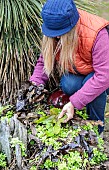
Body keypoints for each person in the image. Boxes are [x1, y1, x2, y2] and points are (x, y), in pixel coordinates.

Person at [30, 0, 109, 134]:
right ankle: (83, 105)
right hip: (82, 71)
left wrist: (74, 102)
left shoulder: (96, 34)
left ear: (73, 26)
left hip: (103, 74)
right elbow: (43, 62)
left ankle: (96, 129)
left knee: (95, 88)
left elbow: (103, 77)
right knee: (68, 84)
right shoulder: (54, 33)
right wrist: (33, 87)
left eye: (61, 32)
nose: (57, 37)